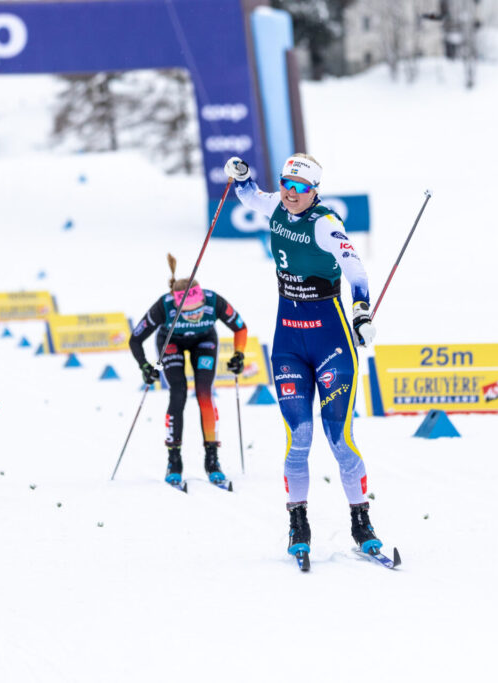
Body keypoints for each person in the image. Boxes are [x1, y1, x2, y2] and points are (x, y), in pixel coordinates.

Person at [224, 153, 383, 558]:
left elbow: (358, 273)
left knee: (339, 437)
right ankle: (298, 521)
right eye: (287, 185)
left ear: (315, 191)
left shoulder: (326, 224)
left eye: (301, 188)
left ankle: (361, 522)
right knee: (299, 438)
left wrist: (362, 313)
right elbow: (249, 196)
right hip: (289, 344)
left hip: (332, 343)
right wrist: (241, 177)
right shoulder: (276, 204)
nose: (292, 194)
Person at [129, 253, 248, 486]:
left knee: (204, 392)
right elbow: (135, 339)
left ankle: (212, 460)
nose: (194, 315)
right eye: (188, 312)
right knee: (178, 391)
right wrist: (144, 366)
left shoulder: (214, 301)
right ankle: (174, 460)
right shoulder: (164, 306)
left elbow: (240, 328)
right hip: (171, 342)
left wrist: (238, 354)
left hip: (204, 341)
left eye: (198, 310)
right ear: (177, 306)